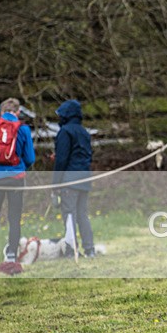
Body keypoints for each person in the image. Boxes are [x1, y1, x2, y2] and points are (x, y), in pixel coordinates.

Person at [0, 98, 36, 266]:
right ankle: (12, 255)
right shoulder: (23, 129)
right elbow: (30, 158)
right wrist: (19, 166)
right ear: (18, 112)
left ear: (1, 111)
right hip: (16, 179)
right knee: (14, 218)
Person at [51, 99, 96, 257]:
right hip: (84, 179)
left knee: (69, 215)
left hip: (70, 181)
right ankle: (90, 249)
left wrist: (55, 183)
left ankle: (72, 250)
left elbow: (61, 160)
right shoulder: (84, 132)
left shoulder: (65, 132)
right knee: (82, 215)